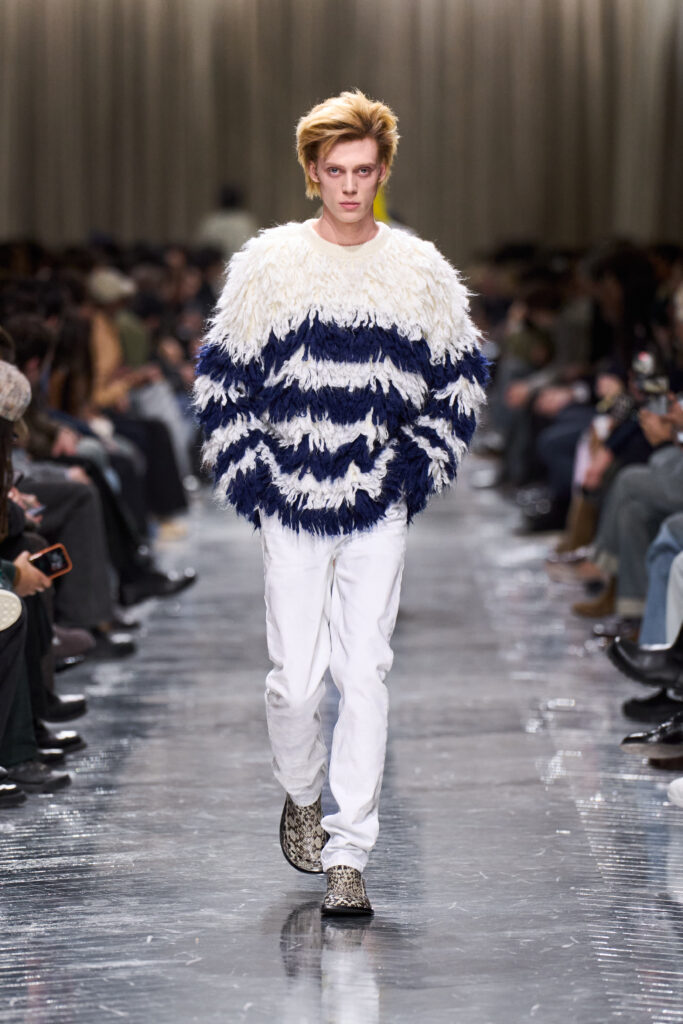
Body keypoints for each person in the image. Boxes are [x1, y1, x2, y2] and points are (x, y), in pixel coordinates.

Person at [194, 90, 488, 915]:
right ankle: (301, 790)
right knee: (295, 681)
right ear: (311, 173)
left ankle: (348, 851)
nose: (350, 186)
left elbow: (461, 380)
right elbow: (222, 379)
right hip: (288, 495)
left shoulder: (418, 270)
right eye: (335, 171)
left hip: (375, 499)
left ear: (383, 170)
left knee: (365, 672)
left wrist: (411, 473)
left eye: (363, 170)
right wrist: (254, 479)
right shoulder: (269, 264)